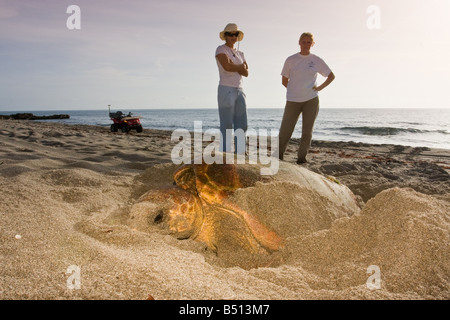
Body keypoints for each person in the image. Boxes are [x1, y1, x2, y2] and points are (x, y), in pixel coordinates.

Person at [276, 32, 335, 164]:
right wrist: (295, 91)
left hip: (311, 100)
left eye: (309, 42)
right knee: (285, 130)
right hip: (292, 100)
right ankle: (278, 156)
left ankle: (301, 159)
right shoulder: (290, 60)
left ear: (312, 44)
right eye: (304, 41)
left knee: (307, 132)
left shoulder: (316, 60)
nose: (306, 44)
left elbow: (331, 76)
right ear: (299, 42)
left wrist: (319, 88)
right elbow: (284, 80)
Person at [215, 23, 249, 154]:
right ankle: (225, 154)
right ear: (225, 36)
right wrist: (240, 67)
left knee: (242, 124)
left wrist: (237, 66)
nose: (233, 36)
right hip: (226, 89)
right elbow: (226, 67)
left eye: (235, 34)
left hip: (240, 90)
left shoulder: (240, 53)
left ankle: (240, 153)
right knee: (227, 125)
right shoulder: (220, 49)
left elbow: (246, 73)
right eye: (230, 34)